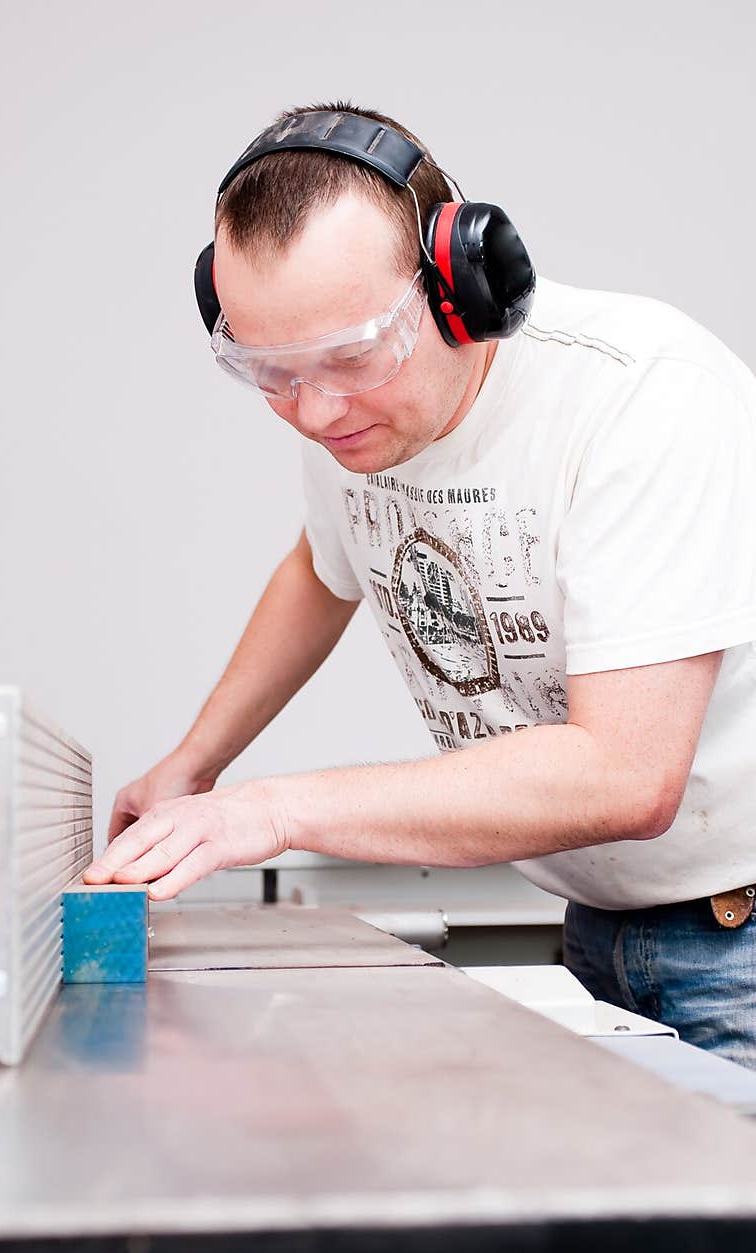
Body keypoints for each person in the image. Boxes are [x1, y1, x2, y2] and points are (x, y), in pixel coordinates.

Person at [83, 102, 756, 1069]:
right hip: (596, 922)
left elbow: (628, 772)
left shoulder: (643, 399)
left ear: (463, 286)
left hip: (738, 935)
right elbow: (321, 571)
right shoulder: (357, 424)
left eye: (353, 358)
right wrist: (195, 762)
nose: (314, 411)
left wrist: (269, 811)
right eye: (271, 372)